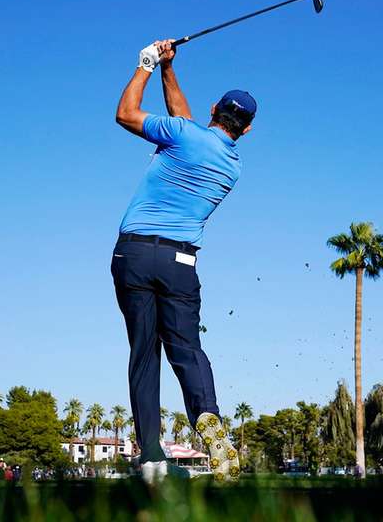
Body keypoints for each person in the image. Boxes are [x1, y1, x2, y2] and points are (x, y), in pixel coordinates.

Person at [112, 40, 251, 482]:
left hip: (133, 253)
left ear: (213, 109)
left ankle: (152, 455)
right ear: (246, 130)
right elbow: (183, 120)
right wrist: (171, 71)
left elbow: (126, 114)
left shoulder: (184, 133)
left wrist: (146, 66)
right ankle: (208, 418)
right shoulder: (232, 167)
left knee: (144, 353)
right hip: (181, 262)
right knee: (186, 349)